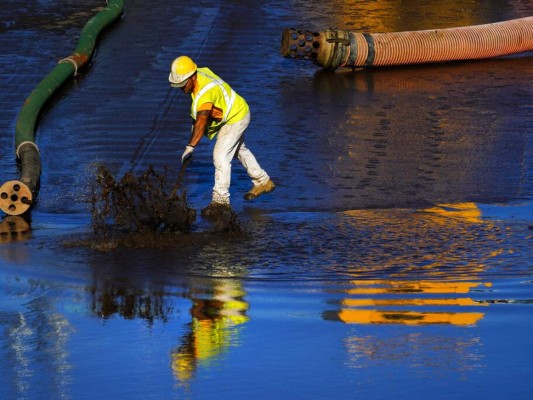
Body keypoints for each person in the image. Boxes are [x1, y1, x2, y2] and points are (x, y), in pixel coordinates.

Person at [169, 55, 275, 217]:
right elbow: (198, 115)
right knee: (239, 149)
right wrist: (194, 129)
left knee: (220, 156)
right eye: (179, 85)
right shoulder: (200, 73)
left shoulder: (205, 93)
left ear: (192, 76)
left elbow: (202, 118)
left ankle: (220, 202)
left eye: (183, 84)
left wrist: (190, 147)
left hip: (236, 117)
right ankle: (262, 181)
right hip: (236, 110)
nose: (182, 88)